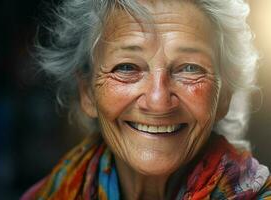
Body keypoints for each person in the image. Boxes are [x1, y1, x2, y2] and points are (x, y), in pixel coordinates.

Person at [21, 0, 271, 199]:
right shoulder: (52, 194)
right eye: (127, 67)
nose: (158, 101)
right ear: (87, 91)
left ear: (224, 93)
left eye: (190, 68)